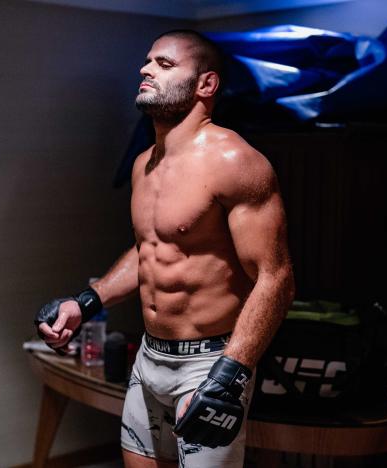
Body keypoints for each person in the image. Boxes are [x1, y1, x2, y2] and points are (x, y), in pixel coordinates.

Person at [35, 29, 295, 468]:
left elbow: (277, 278)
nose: (145, 69)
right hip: (150, 357)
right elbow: (149, 250)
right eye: (147, 61)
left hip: (210, 363)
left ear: (205, 85)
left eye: (164, 64)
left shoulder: (234, 162)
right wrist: (86, 302)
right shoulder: (145, 164)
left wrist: (233, 373)